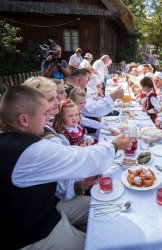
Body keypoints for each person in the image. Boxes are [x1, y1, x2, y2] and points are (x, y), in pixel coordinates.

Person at [0, 85, 133, 249]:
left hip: (47, 208)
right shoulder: (30, 151)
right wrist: (114, 145)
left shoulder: (11, 139)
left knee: (104, 206)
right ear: (24, 120)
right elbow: (81, 159)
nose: (49, 117)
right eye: (44, 114)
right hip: (32, 234)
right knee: (100, 243)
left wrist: (79, 186)